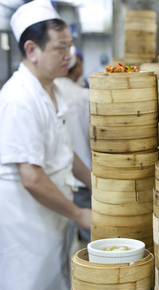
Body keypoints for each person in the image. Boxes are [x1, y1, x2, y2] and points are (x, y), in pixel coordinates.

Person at [0, 0, 91, 290]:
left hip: (45, 218)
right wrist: (80, 214)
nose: (69, 54)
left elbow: (63, 153)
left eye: (70, 45)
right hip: (18, 222)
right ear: (32, 49)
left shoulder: (49, 90)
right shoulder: (19, 100)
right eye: (60, 48)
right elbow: (32, 178)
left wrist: (97, 184)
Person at [54, 47, 92, 244]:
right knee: (90, 242)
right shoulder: (84, 96)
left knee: (63, 240)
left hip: (58, 183)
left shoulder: (48, 93)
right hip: (83, 182)